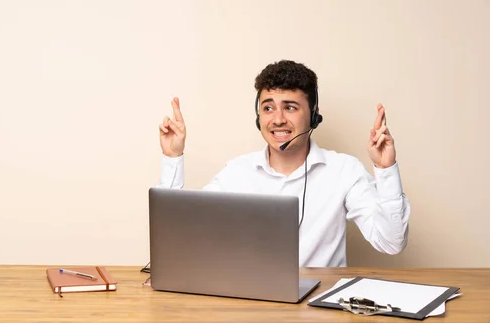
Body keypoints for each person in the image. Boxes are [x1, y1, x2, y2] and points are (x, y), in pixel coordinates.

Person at [156, 60, 410, 267]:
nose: (277, 119)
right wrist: (172, 158)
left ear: (314, 115)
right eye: (268, 108)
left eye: (290, 107)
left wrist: (386, 169)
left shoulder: (344, 170)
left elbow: (391, 242)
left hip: (319, 310)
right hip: (252, 305)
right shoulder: (237, 172)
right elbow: (180, 236)